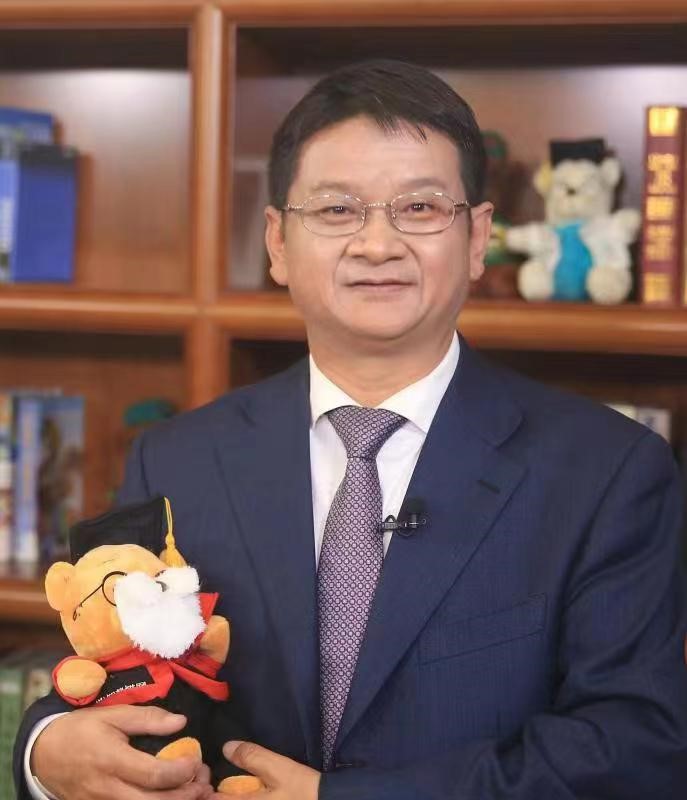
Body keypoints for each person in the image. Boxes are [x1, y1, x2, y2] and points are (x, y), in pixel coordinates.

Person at [14, 59, 687, 800]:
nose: (376, 244)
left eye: (419, 208)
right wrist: (47, 751)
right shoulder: (179, 459)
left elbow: (631, 745)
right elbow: (107, 662)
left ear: (477, 238)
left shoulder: (607, 471)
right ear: (277, 243)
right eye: (337, 210)